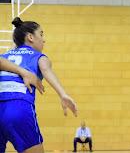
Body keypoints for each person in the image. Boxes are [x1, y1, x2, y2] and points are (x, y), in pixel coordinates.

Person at [0, 17, 78, 153]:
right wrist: (63, 94)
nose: (44, 39)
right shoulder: (39, 56)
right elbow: (47, 70)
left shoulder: (5, 56)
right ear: (30, 37)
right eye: (41, 34)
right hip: (18, 108)